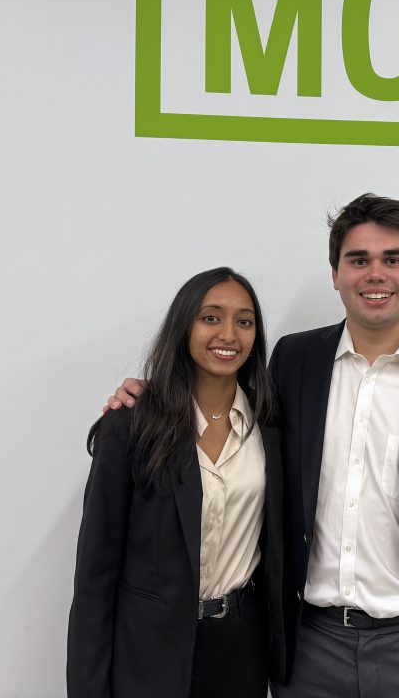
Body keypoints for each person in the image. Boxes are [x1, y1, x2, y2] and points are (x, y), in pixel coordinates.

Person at [107, 195, 399, 698]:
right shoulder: (294, 360)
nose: (376, 273)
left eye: (393, 259)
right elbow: (221, 401)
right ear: (335, 274)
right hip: (310, 650)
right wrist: (147, 397)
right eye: (358, 260)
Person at [68, 267, 285, 698]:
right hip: (149, 650)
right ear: (183, 326)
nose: (228, 334)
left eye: (244, 321)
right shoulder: (131, 425)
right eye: (210, 318)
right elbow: (96, 575)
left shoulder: (272, 426)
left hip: (240, 648)